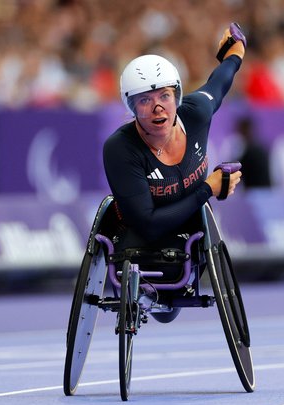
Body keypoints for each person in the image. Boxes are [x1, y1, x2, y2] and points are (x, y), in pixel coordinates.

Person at [101, 27, 245, 321]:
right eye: (144, 100)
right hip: (139, 235)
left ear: (177, 97)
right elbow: (149, 224)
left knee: (168, 311)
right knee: (156, 302)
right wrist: (209, 188)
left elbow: (219, 83)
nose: (157, 108)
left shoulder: (196, 112)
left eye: (165, 96)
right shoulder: (119, 148)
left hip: (188, 229)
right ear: (131, 107)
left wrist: (235, 52)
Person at [234, 115, 272, 188]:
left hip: (256, 193)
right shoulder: (259, 148)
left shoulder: (251, 151)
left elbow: (239, 171)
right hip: (265, 191)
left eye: (241, 130)